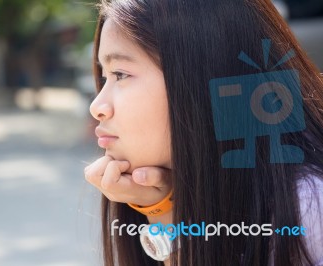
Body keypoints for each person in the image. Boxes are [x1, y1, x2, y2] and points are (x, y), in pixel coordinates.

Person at [83, 0, 323, 265]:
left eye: (120, 74)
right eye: (104, 77)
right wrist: (160, 210)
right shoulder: (208, 189)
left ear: (201, 76)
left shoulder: (309, 207)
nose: (97, 107)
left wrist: (166, 221)